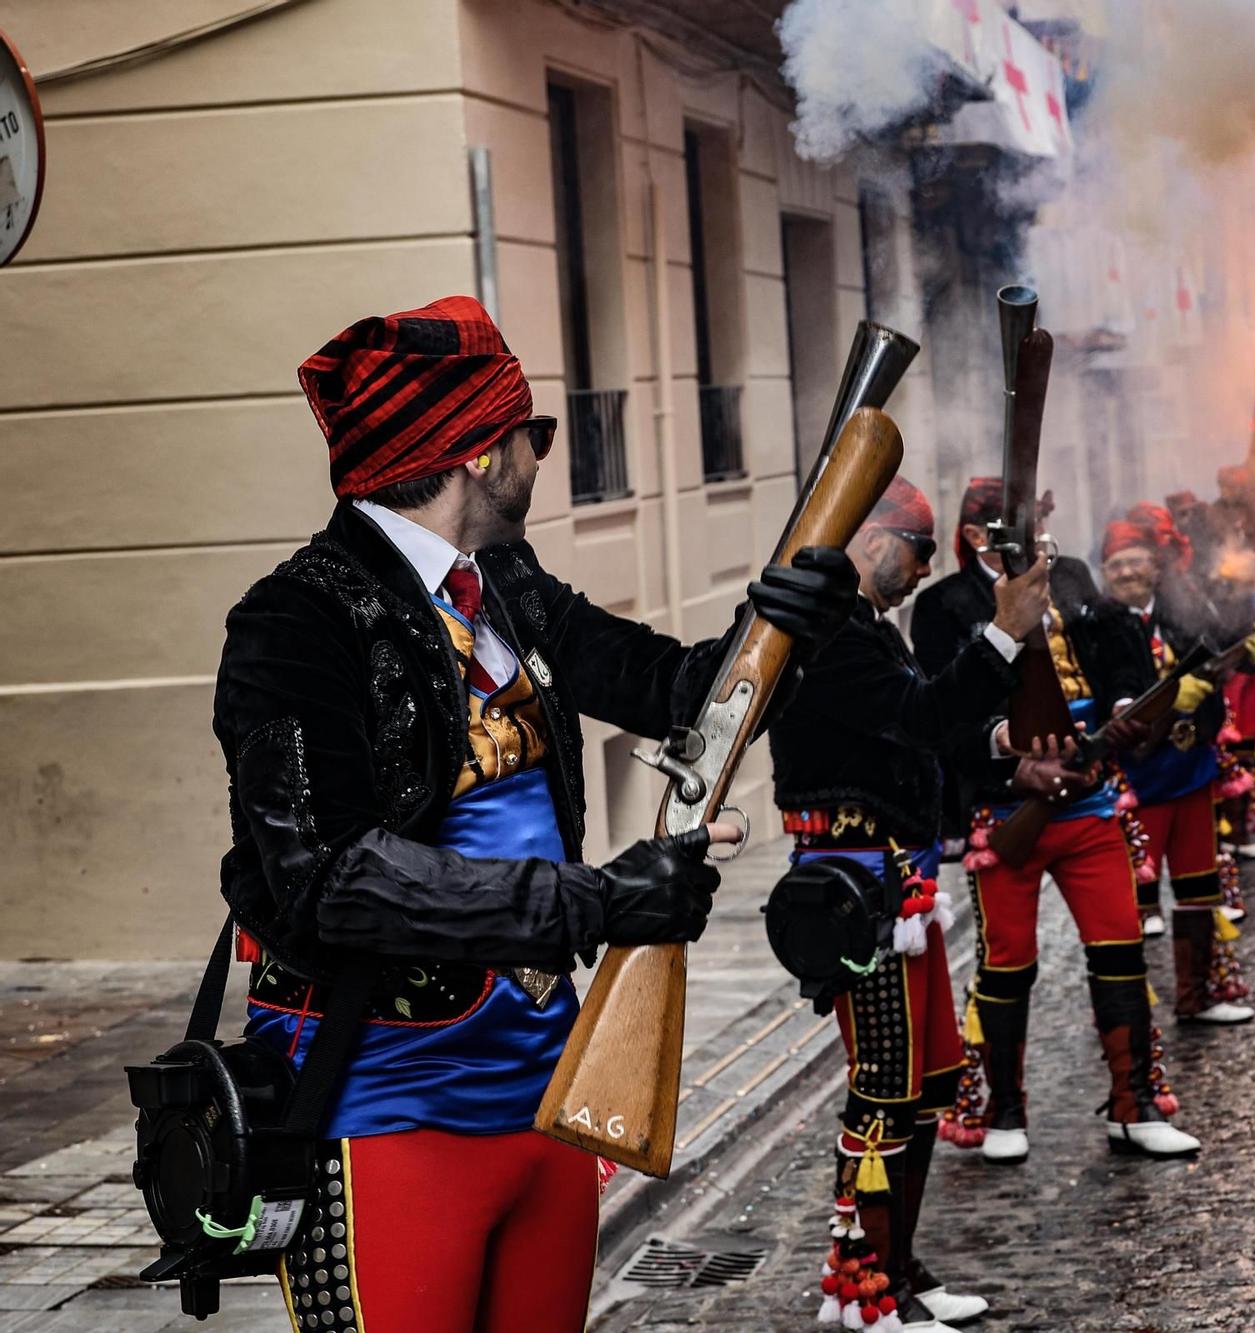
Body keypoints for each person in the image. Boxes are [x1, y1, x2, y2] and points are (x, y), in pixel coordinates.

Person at [212, 297, 856, 1331]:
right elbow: (327, 879)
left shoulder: (503, 581)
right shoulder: (292, 622)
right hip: (383, 1097)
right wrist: (598, 901)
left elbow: (673, 686)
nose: (539, 457)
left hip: (549, 1083)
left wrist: (786, 625)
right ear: (478, 451)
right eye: (532, 434)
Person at [770, 477, 1047, 1332]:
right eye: (918, 548)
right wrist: (1001, 632)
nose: (925, 568)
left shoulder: (863, 626)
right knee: (882, 1091)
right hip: (858, 895)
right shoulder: (828, 628)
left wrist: (999, 739)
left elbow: (918, 727)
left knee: (924, 1084)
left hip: (903, 888)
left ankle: (896, 1269)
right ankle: (859, 1291)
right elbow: (919, 713)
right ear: (870, 536)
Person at [915, 479, 1201, 1163]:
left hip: (1090, 798)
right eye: (1022, 526)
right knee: (1008, 968)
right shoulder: (941, 606)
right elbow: (938, 714)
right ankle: (1006, 1111)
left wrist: (1130, 704)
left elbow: (1120, 646)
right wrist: (1017, 767)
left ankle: (1133, 1104)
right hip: (1008, 807)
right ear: (981, 537)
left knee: (1120, 952)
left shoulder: (1068, 576)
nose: (1042, 535)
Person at [1099, 520, 1254, 1025]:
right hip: (1138, 780)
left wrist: (1249, 649)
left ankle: (1196, 999)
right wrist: (1144, 707)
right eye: (1116, 565)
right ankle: (1128, 1017)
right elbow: (1114, 690)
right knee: (1128, 908)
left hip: (1192, 768)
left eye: (1135, 561)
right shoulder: (1097, 623)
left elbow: (1222, 647)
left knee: (1198, 888)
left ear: (1154, 566)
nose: (1127, 572)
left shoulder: (1179, 611)